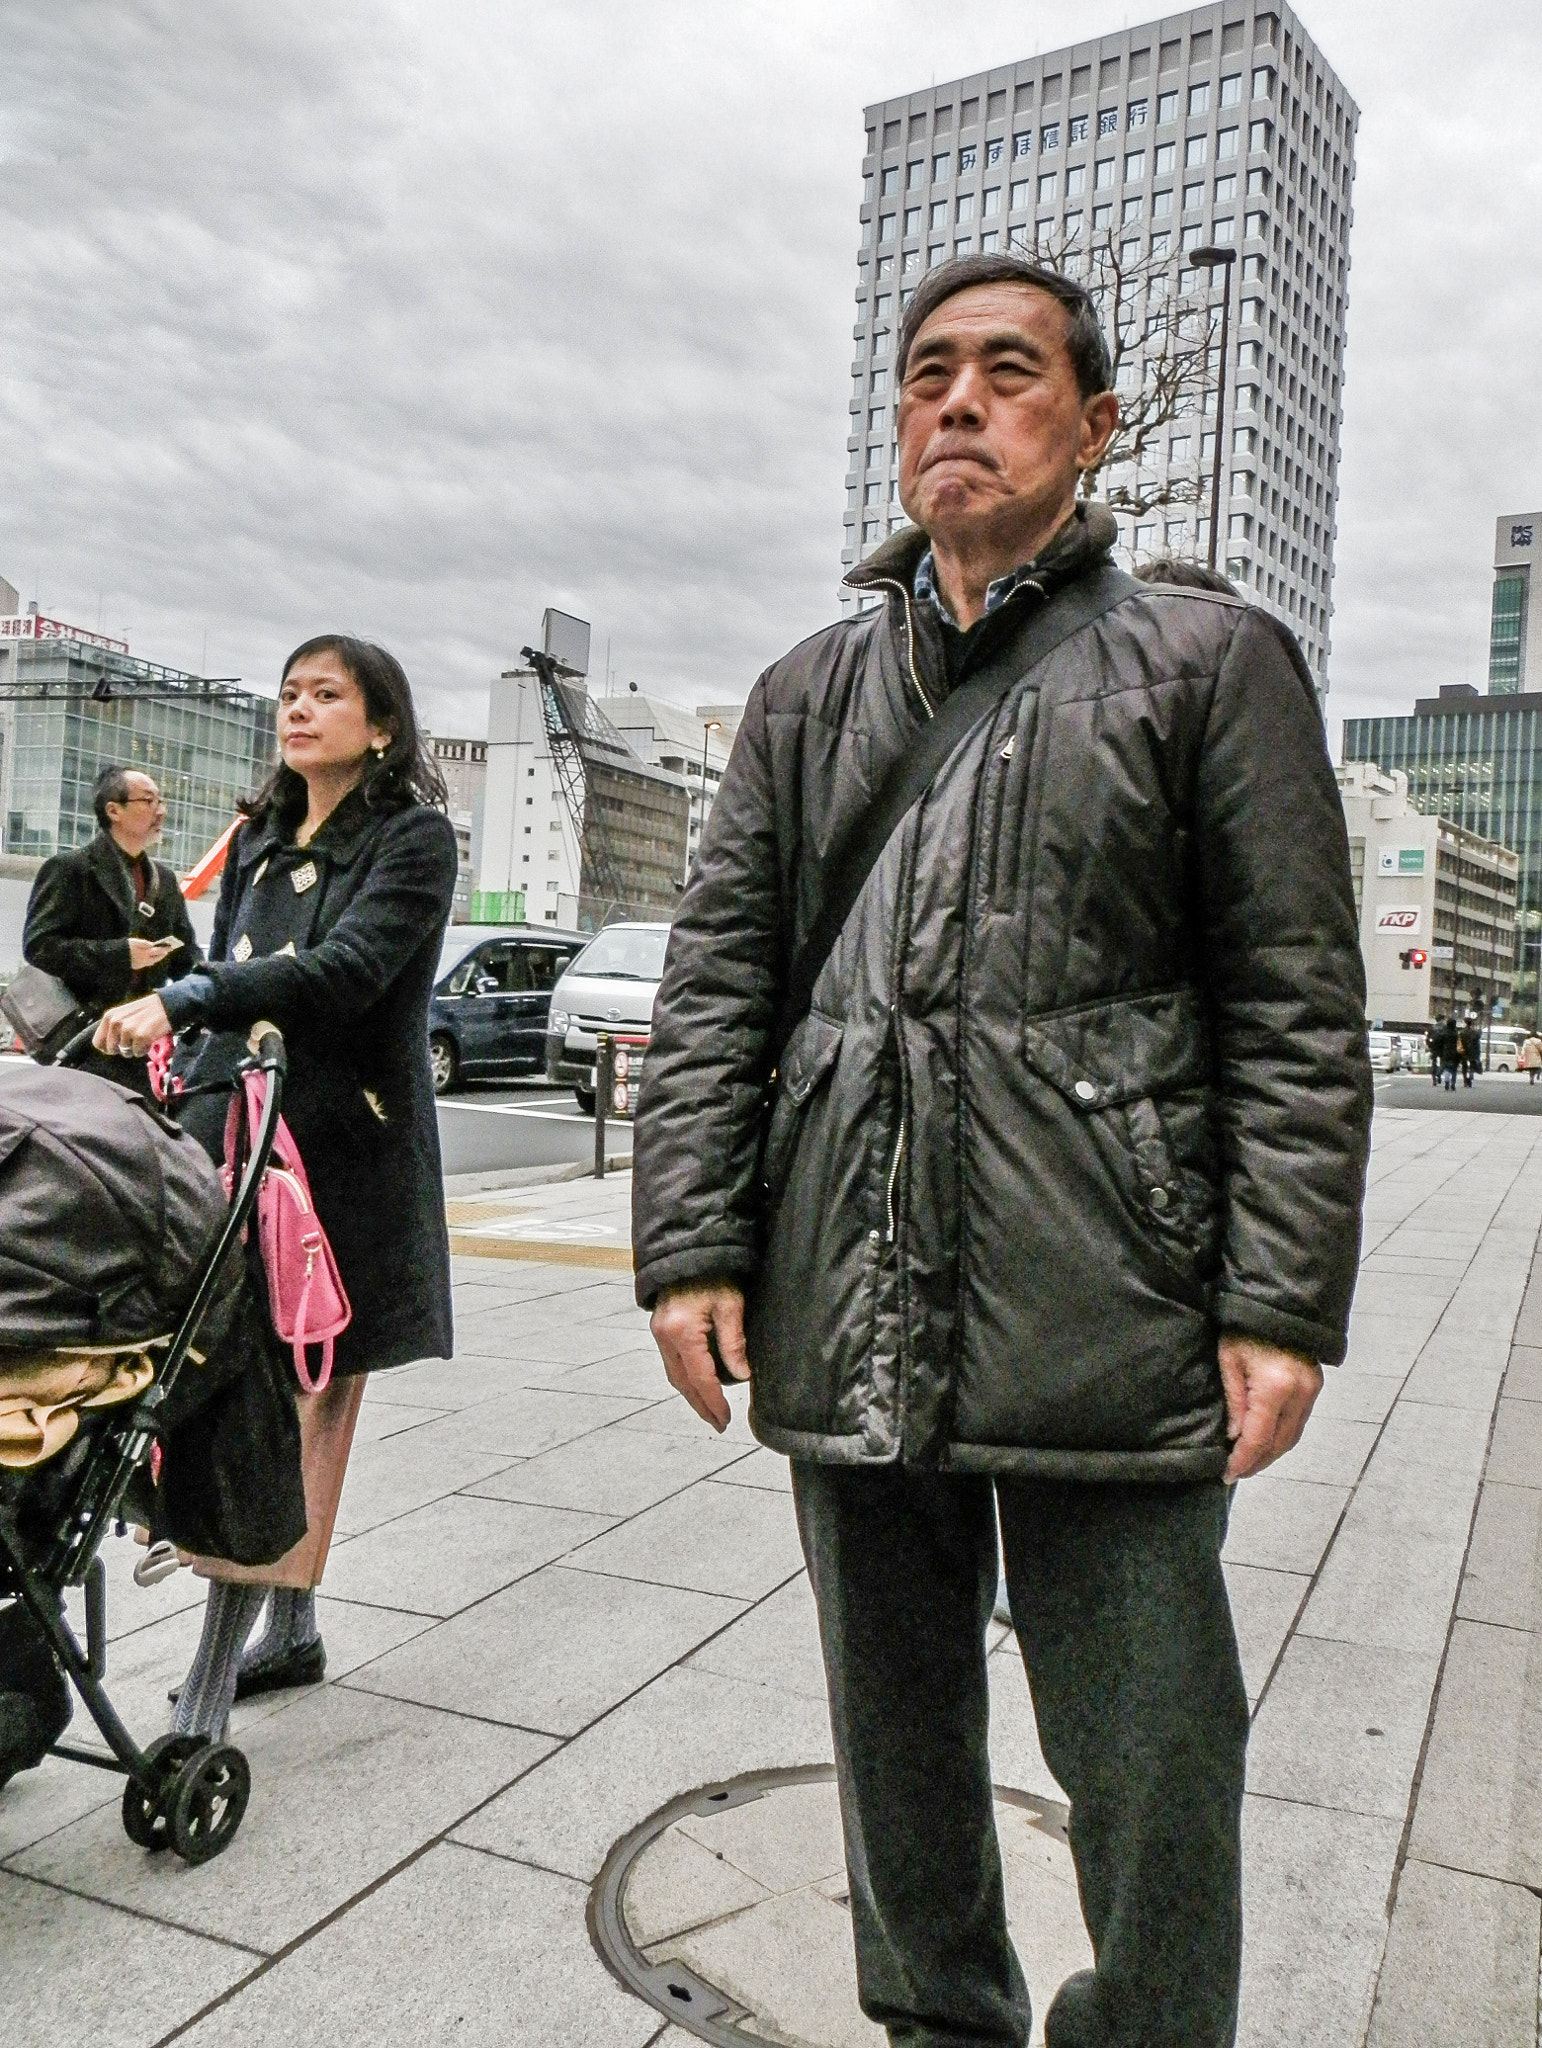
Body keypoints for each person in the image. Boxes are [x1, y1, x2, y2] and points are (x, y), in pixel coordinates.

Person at [633, 253, 1373, 2048]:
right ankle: (934, 2020)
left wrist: (1277, 1299)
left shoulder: (1207, 659)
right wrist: (691, 1243)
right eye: (926, 374)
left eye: (1007, 372)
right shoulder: (810, 687)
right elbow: (719, 979)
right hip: (845, 1275)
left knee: (1150, 1755)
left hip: (1104, 1295)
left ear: (1093, 422)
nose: (955, 402)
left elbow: (1290, 999)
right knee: (892, 1733)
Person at [95, 635, 457, 1740]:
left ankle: (215, 1681)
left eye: (327, 695)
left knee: (301, 1385)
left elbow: (346, 975)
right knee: (249, 1382)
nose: (297, 710)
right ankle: (287, 1625)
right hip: (234, 1134)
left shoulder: (415, 839)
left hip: (343, 1155)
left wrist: (191, 993)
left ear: (381, 724)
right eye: (289, 694)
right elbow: (235, 987)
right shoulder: (254, 832)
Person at [22, 765, 198, 1092]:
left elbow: (187, 956)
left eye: (161, 800)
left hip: (145, 1044)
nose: (161, 810)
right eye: (149, 800)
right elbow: (39, 947)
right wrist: (120, 955)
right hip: (83, 1041)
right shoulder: (70, 869)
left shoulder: (165, 880)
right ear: (114, 810)